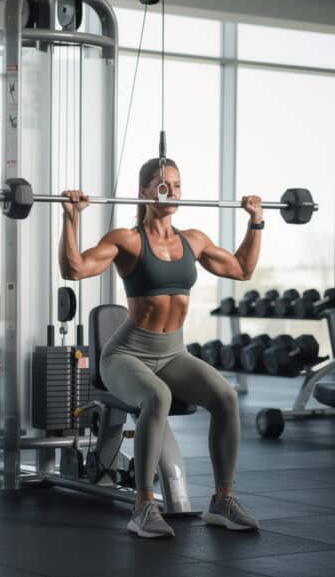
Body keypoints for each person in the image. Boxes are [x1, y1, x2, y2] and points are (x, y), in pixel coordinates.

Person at [58, 157, 263, 538]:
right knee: (157, 396)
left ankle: (222, 501)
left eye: (178, 184)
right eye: (163, 184)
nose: (172, 191)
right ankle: (144, 506)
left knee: (225, 398)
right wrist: (71, 217)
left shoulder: (194, 239)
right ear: (145, 192)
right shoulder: (127, 239)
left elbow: (242, 269)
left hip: (173, 353)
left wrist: (255, 222)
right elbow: (74, 269)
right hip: (125, 355)